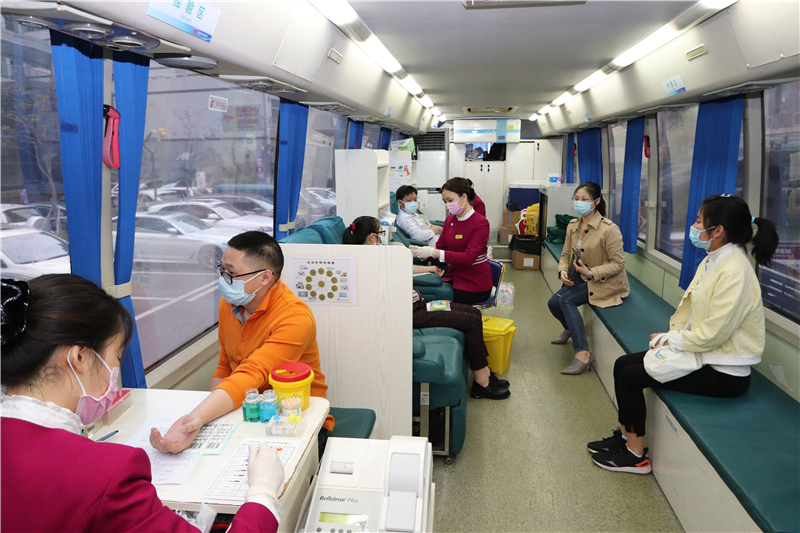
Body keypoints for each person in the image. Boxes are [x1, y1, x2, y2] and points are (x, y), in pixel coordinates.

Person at [0, 275, 284, 532]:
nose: (115, 371)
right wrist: (263, 494)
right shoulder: (104, 473)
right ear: (80, 358)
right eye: (116, 357)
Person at [588, 195, 779, 474]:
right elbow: (693, 312)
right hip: (703, 354)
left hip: (724, 372)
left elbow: (713, 334)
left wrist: (669, 340)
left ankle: (636, 455)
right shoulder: (714, 259)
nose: (694, 226)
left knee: (630, 377)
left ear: (718, 230)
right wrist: (671, 336)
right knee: (622, 364)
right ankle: (626, 436)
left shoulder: (735, 270)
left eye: (699, 221)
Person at [151, 231, 334, 454]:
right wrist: (205, 420)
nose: (223, 279)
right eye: (222, 270)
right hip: (249, 412)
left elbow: (252, 373)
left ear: (264, 278)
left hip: (295, 418)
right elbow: (226, 366)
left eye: (231, 273)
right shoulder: (228, 305)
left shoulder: (295, 318)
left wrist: (196, 417)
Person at [344, 216, 510, 399]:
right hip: (411, 313)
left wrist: (429, 270)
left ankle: (485, 371)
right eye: (380, 233)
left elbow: (402, 270)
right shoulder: (368, 264)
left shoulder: (377, 256)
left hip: (418, 305)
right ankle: (482, 382)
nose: (383, 237)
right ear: (372, 237)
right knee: (470, 321)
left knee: (473, 313)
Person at [549, 182, 629, 375]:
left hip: (604, 281)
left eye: (585, 199)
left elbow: (618, 264)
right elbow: (566, 254)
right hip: (581, 276)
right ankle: (570, 329)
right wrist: (562, 270)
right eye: (576, 199)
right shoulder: (572, 225)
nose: (580, 202)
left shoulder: (609, 229)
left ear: (596, 201)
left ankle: (583, 353)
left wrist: (590, 272)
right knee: (553, 303)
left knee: (566, 300)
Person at [409, 178, 492, 305]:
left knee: (431, 297)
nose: (448, 205)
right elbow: (441, 249)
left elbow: (469, 257)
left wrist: (434, 252)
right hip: (454, 277)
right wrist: (421, 254)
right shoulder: (450, 220)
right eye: (445, 201)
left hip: (474, 283)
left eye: (450, 200)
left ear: (464, 197)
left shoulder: (481, 223)